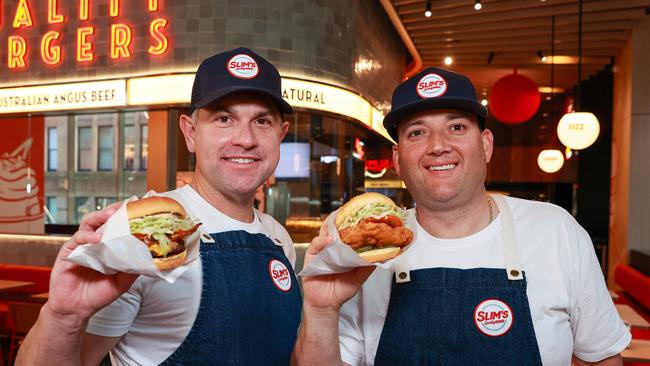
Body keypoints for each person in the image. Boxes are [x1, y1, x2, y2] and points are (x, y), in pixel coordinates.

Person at [294, 67, 631, 365]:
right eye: (417, 132)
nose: (438, 145)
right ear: (398, 159)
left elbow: (600, 358)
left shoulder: (555, 230)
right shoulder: (363, 258)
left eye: (456, 127)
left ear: (485, 144)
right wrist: (321, 311)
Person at [17, 47, 303, 366]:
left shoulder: (278, 239)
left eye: (262, 121)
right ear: (191, 133)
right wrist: (62, 316)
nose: (245, 138)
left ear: (281, 135)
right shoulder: (143, 234)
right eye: (224, 118)